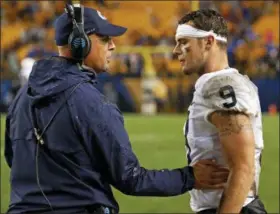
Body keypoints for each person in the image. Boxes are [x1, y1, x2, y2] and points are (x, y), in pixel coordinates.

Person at [4, 4, 229, 214]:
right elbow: (131, 178)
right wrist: (190, 177)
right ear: (80, 42)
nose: (112, 45)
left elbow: (13, 158)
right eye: (104, 39)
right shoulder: (91, 102)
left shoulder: (22, 97)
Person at [173, 9, 267, 214]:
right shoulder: (222, 82)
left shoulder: (220, 85)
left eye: (183, 42)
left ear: (207, 42)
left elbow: (243, 166)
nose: (176, 50)